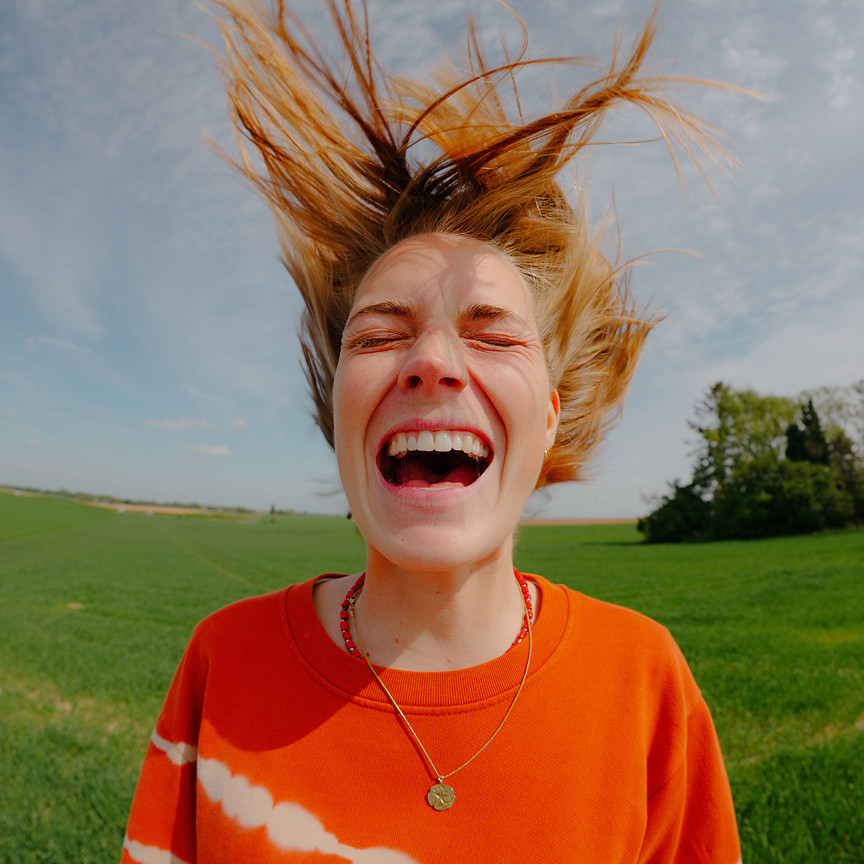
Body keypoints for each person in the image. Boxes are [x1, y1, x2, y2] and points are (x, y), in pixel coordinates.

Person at [121, 1, 741, 861]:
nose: (433, 362)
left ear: (549, 417)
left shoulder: (646, 683)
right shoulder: (222, 663)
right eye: (378, 336)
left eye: (492, 333)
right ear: (336, 408)